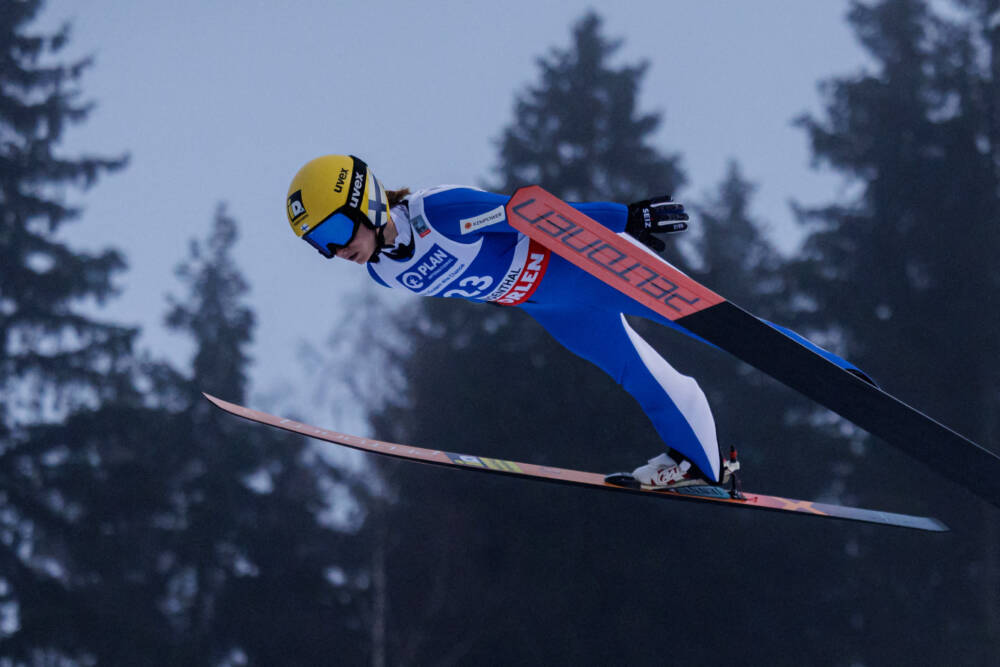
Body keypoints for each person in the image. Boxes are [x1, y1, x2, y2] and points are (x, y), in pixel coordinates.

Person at [285, 154, 861, 489]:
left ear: (365, 199)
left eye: (335, 231)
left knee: (717, 325)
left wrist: (625, 219)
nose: (336, 251)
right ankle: (701, 464)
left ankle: (839, 375)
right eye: (319, 245)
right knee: (638, 375)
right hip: (552, 307)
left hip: (589, 267)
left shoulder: (439, 212)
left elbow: (532, 214)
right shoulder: (385, 273)